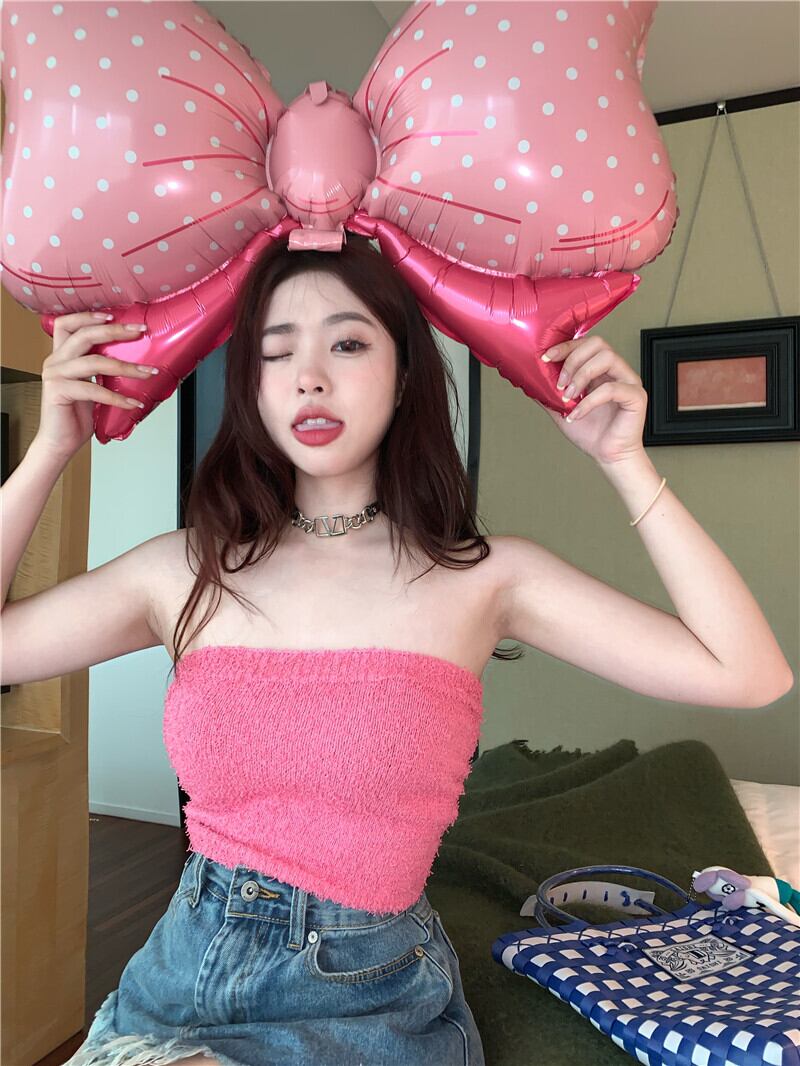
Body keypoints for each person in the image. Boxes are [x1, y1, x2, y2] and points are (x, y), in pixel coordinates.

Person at [2, 233, 793, 1066]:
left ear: (406, 373)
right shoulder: (186, 567)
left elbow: (746, 673)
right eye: (276, 352)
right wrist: (51, 449)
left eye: (347, 344)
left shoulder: (484, 578)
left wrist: (625, 461)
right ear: (252, 387)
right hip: (180, 974)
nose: (310, 376)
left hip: (364, 995)